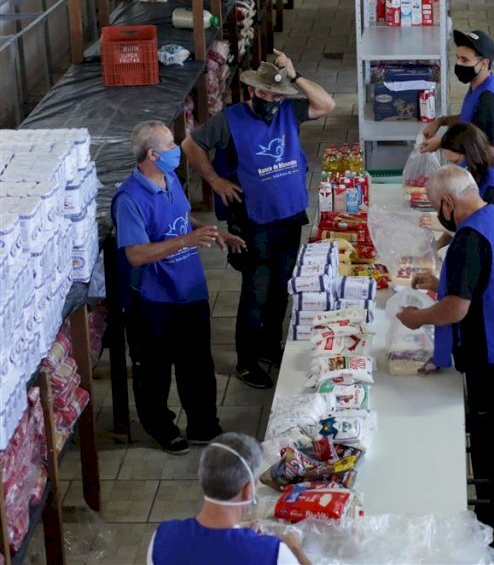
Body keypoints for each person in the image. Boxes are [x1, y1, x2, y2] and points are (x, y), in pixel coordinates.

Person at [396, 165, 494, 560]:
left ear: (447, 202)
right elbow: (487, 280)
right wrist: (440, 284)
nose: (438, 214)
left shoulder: (467, 240)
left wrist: (418, 317)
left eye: (436, 206)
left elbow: (456, 311)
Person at [182, 50, 336, 389]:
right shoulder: (230, 120)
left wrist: (294, 76)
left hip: (289, 214)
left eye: (277, 94)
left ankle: (270, 347)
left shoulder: (290, 110)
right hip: (253, 221)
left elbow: (327, 105)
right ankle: (246, 361)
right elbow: (190, 143)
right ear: (253, 91)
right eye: (265, 93)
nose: (271, 99)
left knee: (281, 286)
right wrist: (214, 180)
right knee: (256, 292)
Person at [112, 122, 245, 455]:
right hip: (154, 300)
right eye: (171, 144)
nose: (177, 148)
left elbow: (183, 218)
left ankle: (203, 425)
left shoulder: (170, 179)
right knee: (154, 371)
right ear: (153, 154)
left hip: (190, 290)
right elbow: (136, 254)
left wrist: (214, 233)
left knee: (198, 364)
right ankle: (161, 427)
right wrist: (187, 240)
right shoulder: (129, 199)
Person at [148, 432, 311, 564]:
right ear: (249, 490)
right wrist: (296, 550)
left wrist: (238, 531)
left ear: (201, 476)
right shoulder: (274, 554)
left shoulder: (162, 537)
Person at [421, 30, 494, 187]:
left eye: (465, 60)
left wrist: (444, 144)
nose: (459, 64)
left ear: (484, 63)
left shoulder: (488, 100)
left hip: (487, 179)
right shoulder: (479, 84)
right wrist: (440, 122)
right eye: (457, 58)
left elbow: (489, 151)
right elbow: (469, 115)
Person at [440, 122, 494, 217]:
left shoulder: (492, 188)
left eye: (456, 161)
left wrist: (448, 229)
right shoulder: (477, 171)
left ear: (471, 155)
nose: (452, 167)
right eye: (449, 162)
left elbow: (488, 228)